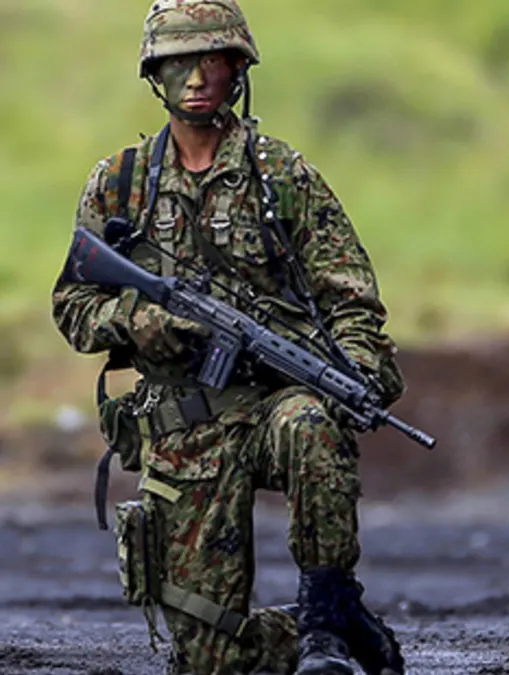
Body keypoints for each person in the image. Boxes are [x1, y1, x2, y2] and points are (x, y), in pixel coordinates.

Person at [50, 1, 409, 673]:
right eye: (177, 64)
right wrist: (146, 322)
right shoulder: (121, 185)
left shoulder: (282, 177)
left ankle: (328, 615)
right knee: (210, 661)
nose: (195, 79)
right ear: (154, 75)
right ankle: (324, 630)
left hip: (276, 407)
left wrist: (353, 373)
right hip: (184, 431)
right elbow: (74, 306)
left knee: (310, 425)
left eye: (211, 61)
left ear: (238, 69)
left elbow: (352, 301)